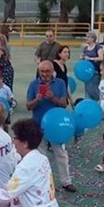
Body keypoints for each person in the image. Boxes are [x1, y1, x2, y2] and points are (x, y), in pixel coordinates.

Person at [26, 61, 76, 192]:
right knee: (41, 155)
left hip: (56, 127)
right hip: (38, 125)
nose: (44, 74)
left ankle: (66, 181)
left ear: (52, 71)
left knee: (61, 153)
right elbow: (28, 106)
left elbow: (64, 103)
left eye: (47, 71)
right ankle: (43, 181)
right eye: (41, 71)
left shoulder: (60, 83)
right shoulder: (33, 84)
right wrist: (37, 99)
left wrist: (53, 98)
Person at [81, 31, 104, 100]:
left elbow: (101, 57)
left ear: (93, 38)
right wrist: (82, 57)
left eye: (88, 37)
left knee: (94, 89)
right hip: (86, 73)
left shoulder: (98, 47)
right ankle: (89, 103)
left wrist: (91, 58)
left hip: (95, 71)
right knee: (88, 89)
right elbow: (83, 57)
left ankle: (100, 102)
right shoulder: (85, 48)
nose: (86, 38)